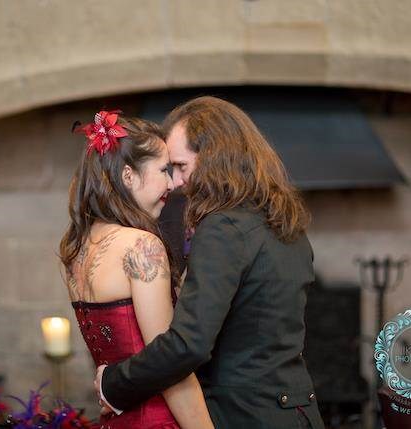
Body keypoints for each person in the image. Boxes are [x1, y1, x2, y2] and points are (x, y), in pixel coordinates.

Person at [96, 97, 326, 429]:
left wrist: (113, 384)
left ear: (214, 158)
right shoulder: (283, 221)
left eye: (181, 166)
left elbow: (189, 345)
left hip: (245, 416)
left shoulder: (224, 227)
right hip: (297, 412)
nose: (175, 183)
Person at [59, 110, 214, 429]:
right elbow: (169, 367)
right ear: (128, 176)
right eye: (164, 170)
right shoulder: (140, 246)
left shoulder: (75, 249)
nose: (173, 183)